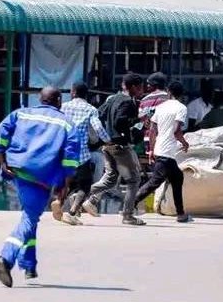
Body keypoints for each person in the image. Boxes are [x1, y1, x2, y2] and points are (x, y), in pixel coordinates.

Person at [0, 86, 81, 287]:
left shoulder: (20, 113)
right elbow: (70, 158)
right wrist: (65, 185)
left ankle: (29, 265)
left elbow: (2, 132)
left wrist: (2, 161)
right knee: (29, 219)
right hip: (42, 177)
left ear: (40, 99)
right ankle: (6, 257)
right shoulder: (67, 124)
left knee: (29, 216)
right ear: (58, 100)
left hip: (18, 171)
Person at [81, 73, 146, 226]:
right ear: (133, 87)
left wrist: (104, 134)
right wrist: (137, 122)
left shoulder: (112, 99)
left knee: (110, 178)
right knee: (134, 179)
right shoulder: (127, 102)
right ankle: (128, 215)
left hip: (107, 145)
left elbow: (99, 114)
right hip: (119, 146)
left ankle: (78, 196)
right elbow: (120, 121)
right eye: (140, 87)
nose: (142, 90)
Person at [134, 81, 192, 222]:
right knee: (155, 182)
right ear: (181, 94)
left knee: (177, 178)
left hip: (161, 149)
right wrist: (185, 143)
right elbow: (177, 130)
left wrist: (152, 150)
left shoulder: (161, 107)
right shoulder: (181, 108)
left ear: (169, 92)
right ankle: (130, 204)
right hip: (167, 151)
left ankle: (181, 213)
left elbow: (152, 130)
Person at [54, 81, 110, 225]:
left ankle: (58, 201)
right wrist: (107, 140)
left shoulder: (63, 107)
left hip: (63, 150)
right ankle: (72, 212)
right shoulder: (91, 109)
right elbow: (97, 128)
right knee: (84, 185)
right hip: (81, 154)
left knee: (65, 181)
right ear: (87, 94)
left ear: (73, 93)